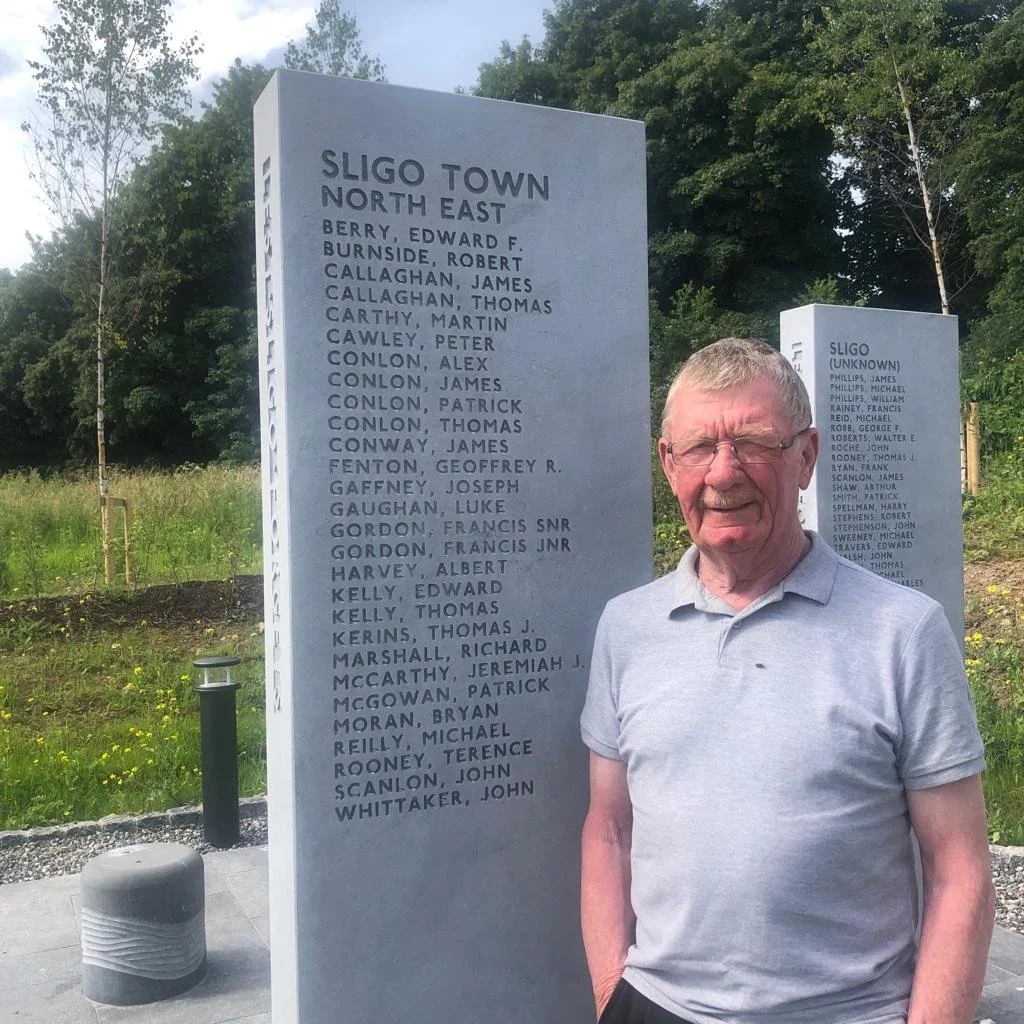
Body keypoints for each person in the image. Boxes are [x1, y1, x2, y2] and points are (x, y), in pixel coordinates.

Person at [580, 338, 994, 1024]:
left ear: (806, 457)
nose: (723, 473)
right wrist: (610, 998)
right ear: (666, 463)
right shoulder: (626, 629)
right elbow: (607, 831)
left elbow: (959, 867)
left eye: (754, 443)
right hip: (655, 1007)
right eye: (699, 448)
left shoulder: (903, 631)